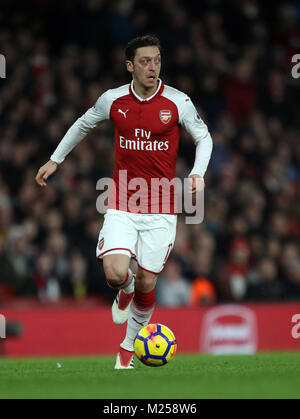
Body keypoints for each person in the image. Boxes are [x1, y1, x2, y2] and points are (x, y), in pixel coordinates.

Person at [35, 35, 213, 369]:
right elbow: (83, 123)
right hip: (122, 201)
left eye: (157, 60)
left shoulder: (178, 102)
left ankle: (127, 351)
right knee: (116, 273)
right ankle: (125, 287)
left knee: (149, 280)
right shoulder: (113, 100)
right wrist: (55, 160)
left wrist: (198, 173)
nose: (153, 67)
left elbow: (203, 137)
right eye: (145, 61)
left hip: (161, 207)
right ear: (129, 65)